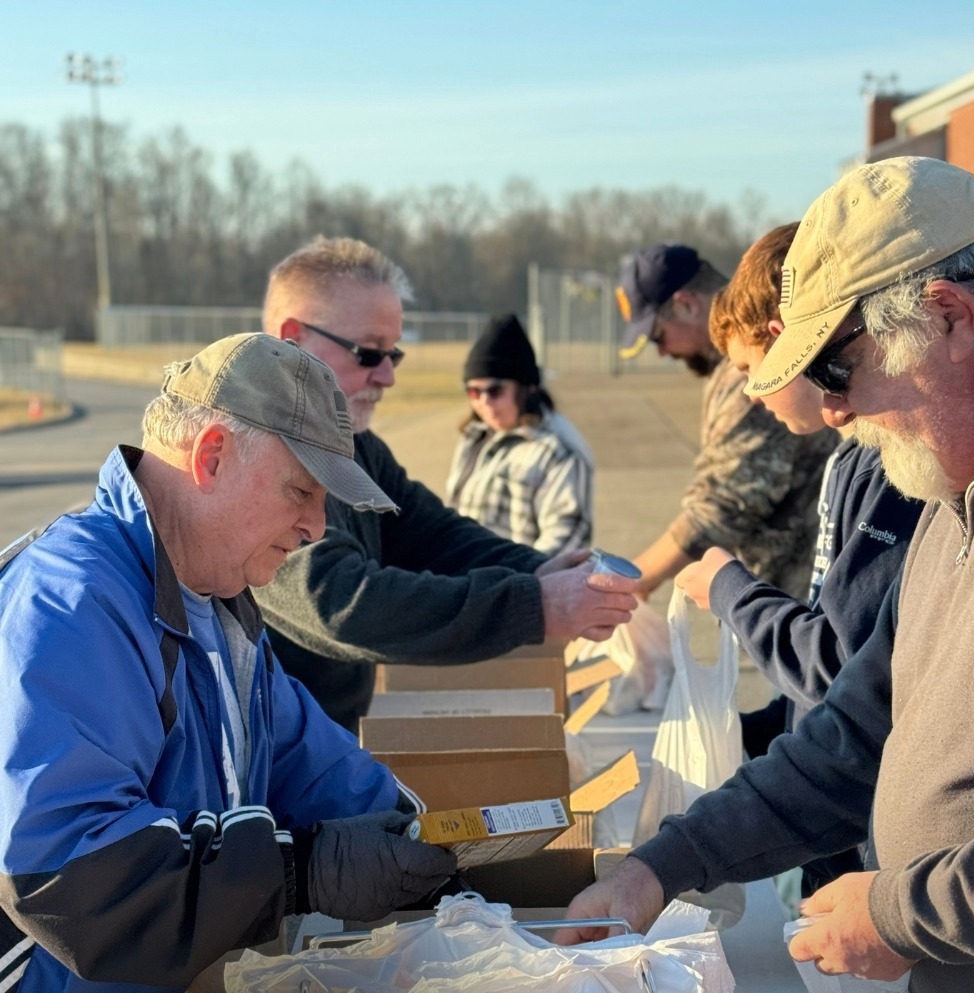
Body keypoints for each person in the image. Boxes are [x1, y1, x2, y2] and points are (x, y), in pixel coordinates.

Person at [560, 156, 974, 993]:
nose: (830, 408)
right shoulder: (962, 480)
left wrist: (906, 915)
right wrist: (658, 868)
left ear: (950, 317)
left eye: (836, 366)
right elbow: (855, 733)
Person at [0, 334, 457, 992]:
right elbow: (73, 879)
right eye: (301, 490)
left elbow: (307, 761)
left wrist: (438, 851)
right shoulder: (74, 602)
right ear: (211, 455)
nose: (317, 527)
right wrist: (301, 871)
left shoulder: (217, 605)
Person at [253, 237, 637, 732]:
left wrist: (540, 571)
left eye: (394, 354)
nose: (388, 376)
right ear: (292, 338)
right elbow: (343, 602)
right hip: (260, 760)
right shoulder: (261, 448)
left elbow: (430, 532)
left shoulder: (347, 438)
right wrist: (535, 605)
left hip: (320, 746)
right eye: (369, 354)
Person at [676, 222, 923, 894]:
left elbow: (840, 669)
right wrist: (755, 733)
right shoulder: (850, 458)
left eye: (754, 370)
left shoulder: (895, 468)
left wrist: (729, 589)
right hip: (830, 809)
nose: (754, 393)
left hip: (859, 835)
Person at [616, 242, 836, 600]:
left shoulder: (747, 379)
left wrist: (632, 582)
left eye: (658, 335)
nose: (662, 351)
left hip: (800, 607)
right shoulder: (735, 367)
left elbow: (721, 507)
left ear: (686, 304)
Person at [447, 312, 594, 556]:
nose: (484, 402)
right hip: (468, 586)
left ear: (527, 388)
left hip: (521, 589)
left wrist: (513, 586)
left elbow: (565, 541)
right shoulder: (474, 437)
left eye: (495, 390)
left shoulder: (560, 452)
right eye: (473, 392)